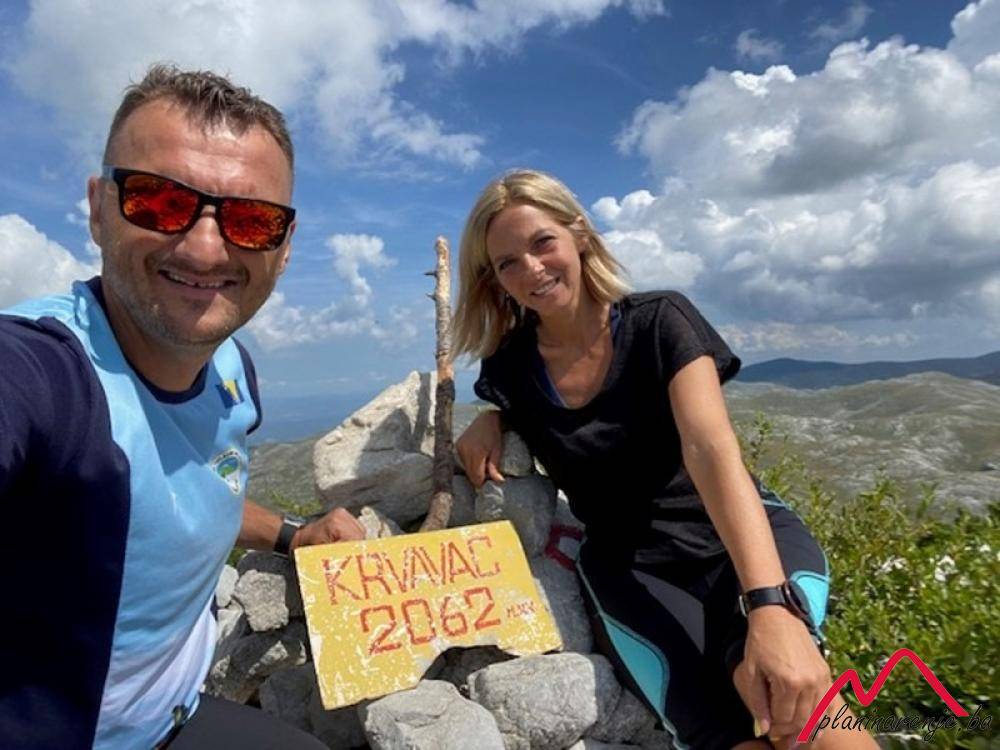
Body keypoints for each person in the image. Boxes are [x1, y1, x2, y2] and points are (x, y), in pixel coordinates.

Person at [0, 65, 364, 749]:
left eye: (251, 221)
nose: (203, 248)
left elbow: (193, 483)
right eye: (159, 202)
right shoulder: (45, 373)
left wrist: (291, 534)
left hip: (177, 717)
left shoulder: (231, 367)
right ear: (98, 209)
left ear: (284, 250)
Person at [453, 170, 877, 750]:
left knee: (792, 709)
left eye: (542, 242)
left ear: (579, 234)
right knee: (724, 735)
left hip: (735, 542)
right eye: (507, 263)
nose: (530, 269)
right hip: (630, 571)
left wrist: (769, 605)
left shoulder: (658, 322)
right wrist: (494, 417)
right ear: (495, 279)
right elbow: (527, 406)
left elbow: (711, 450)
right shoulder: (510, 367)